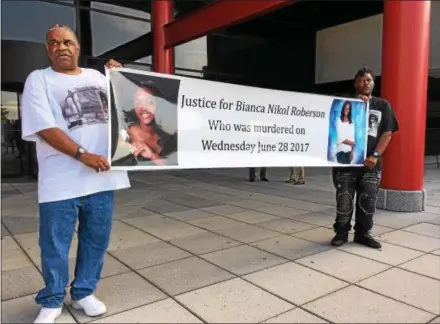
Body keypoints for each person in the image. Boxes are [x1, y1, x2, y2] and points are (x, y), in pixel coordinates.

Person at [21, 24, 130, 323]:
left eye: (67, 42)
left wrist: (119, 77)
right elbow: (45, 128)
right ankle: (53, 299)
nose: (61, 47)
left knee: (96, 239)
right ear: (47, 49)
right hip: (60, 180)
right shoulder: (38, 80)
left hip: (102, 177)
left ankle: (83, 293)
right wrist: (84, 156)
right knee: (55, 243)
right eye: (54, 43)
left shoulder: (97, 77)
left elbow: (127, 107)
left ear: (78, 47)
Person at [331, 67, 399, 249]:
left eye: (369, 80)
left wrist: (376, 155)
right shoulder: (344, 104)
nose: (365, 83)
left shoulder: (383, 105)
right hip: (346, 163)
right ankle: (341, 232)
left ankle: (363, 233)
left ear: (374, 83)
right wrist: (356, 105)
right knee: (344, 199)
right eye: (361, 80)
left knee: (368, 200)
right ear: (355, 84)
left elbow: (387, 133)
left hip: (371, 164)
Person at [118, 81, 177, 166]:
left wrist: (153, 156)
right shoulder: (124, 137)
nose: (144, 108)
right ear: (132, 106)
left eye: (150, 102)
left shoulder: (167, 136)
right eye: (138, 103)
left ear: (158, 104)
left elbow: (174, 168)